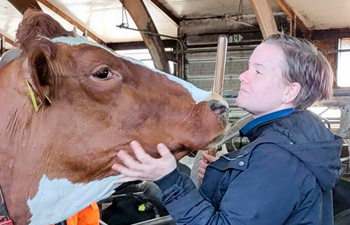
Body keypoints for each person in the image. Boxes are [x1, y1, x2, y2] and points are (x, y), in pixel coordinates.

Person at [114, 33, 343, 225]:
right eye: (248, 67)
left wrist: (168, 179)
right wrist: (229, 176)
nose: (243, 76)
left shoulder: (279, 157)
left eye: (258, 71)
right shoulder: (292, 141)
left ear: (290, 92)